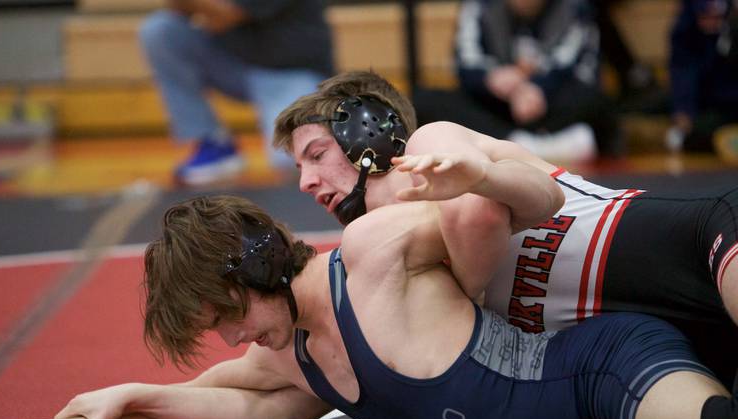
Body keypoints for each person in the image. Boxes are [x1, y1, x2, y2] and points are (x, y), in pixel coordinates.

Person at [0, 191, 737, 419]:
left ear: (257, 261)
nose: (233, 341)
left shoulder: (369, 255)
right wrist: (111, 404)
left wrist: (463, 296)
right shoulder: (291, 361)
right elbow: (233, 408)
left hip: (605, 369)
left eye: (227, 316)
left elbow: (482, 212)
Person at [274, 70, 738, 387]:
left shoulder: (429, 145)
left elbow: (480, 212)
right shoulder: (386, 254)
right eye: (299, 167)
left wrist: (462, 300)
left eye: (316, 155)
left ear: (367, 130)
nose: (305, 182)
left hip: (696, 243)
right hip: (665, 332)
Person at [139, 0, 333, 186]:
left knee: (296, 162)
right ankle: (212, 143)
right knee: (161, 30)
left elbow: (225, 14)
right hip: (235, 65)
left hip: (291, 73)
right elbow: (182, 10)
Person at [412, 0, 622, 161]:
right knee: (425, 100)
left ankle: (507, 146)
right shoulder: (479, 5)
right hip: (498, 104)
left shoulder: (574, 7)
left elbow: (568, 62)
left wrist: (536, 88)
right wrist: (492, 79)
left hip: (551, 101)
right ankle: (523, 143)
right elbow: (466, 64)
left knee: (599, 101)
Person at [666, 0, 738, 161]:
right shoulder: (684, 32)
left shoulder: (732, 31)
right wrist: (683, 110)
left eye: (717, 17)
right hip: (704, 102)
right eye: (706, 17)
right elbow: (682, 72)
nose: (712, 23)